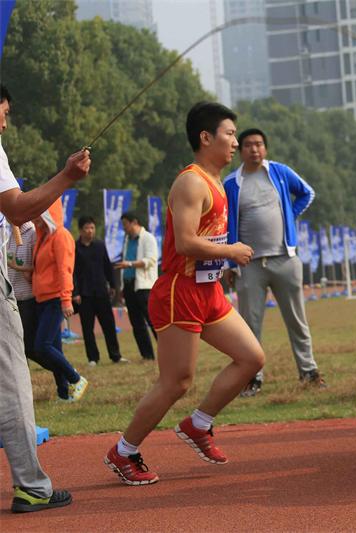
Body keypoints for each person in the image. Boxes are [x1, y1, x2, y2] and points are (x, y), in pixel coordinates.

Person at [103, 102, 264, 486]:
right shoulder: (191, 182)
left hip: (208, 293)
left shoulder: (215, 182)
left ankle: (199, 423)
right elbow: (189, 242)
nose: (235, 142)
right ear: (205, 138)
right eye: (229, 134)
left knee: (251, 358)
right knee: (176, 381)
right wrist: (231, 251)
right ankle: (123, 451)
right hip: (180, 292)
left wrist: (222, 264)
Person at [0, 82, 91, 512]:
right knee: (13, 382)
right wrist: (67, 176)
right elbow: (17, 208)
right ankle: (32, 487)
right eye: (2, 112)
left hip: (45, 292)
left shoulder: (57, 238)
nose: (4, 121)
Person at [222, 127, 323, 395]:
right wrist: (229, 263)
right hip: (249, 265)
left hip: (284, 259)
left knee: (296, 319)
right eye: (248, 145)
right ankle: (252, 377)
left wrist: (290, 215)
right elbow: (227, 223)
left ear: (265, 148)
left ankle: (309, 371)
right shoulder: (232, 183)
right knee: (249, 324)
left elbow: (307, 193)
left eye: (259, 144)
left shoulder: (279, 172)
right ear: (240, 150)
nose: (254, 149)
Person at [32, 200, 88, 403]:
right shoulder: (43, 237)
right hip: (42, 298)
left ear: (47, 213)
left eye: (37, 212)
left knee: (42, 346)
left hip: (55, 298)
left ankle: (76, 378)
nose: (34, 217)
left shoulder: (61, 236)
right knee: (55, 346)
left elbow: (65, 269)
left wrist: (66, 299)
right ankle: (63, 392)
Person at [73, 215, 126, 365]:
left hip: (102, 292)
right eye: (86, 228)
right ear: (80, 230)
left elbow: (107, 266)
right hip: (84, 294)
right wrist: (75, 292)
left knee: (109, 325)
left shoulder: (100, 245)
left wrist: (113, 285)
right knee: (87, 328)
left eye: (92, 228)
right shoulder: (75, 248)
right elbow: (73, 272)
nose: (90, 231)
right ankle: (93, 358)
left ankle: (116, 355)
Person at [114, 211, 158, 361]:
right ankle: (147, 355)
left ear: (134, 222)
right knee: (136, 323)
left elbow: (151, 260)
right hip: (129, 285)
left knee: (152, 320)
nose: (124, 228)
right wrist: (121, 288)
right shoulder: (127, 240)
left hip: (144, 285)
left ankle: (167, 352)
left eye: (125, 224)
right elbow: (124, 264)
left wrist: (130, 264)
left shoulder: (148, 238)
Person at [7, 221, 37, 362]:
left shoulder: (32, 233)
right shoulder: (8, 232)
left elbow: (38, 265)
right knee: (14, 342)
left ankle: (68, 373)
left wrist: (21, 268)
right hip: (11, 296)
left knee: (29, 345)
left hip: (28, 296)